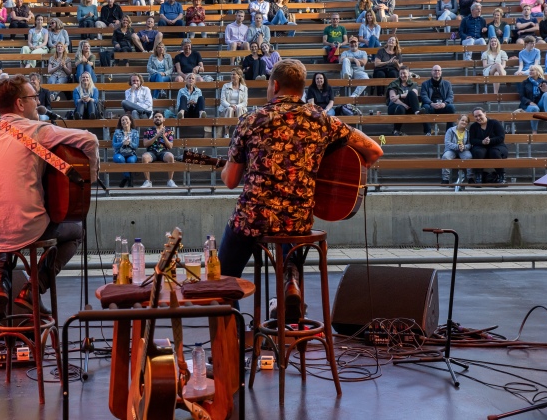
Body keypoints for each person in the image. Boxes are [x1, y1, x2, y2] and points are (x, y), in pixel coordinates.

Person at [217, 59, 382, 321]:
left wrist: (228, 167)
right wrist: (336, 173)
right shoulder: (322, 120)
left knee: (222, 276)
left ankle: (233, 338)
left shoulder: (251, 120)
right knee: (289, 227)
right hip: (297, 220)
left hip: (255, 217)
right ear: (302, 89)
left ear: (275, 85)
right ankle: (290, 280)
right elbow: (374, 150)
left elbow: (230, 180)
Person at [0, 73, 98, 316]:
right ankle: (33, 288)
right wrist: (92, 176)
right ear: (20, 103)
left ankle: (1, 282)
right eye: (33, 98)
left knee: (6, 227)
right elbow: (90, 140)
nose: (38, 103)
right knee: (75, 232)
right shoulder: (37, 130)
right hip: (25, 227)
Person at [469, 107, 508, 184]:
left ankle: (501, 176)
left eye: (480, 115)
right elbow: (472, 140)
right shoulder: (473, 126)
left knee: (494, 152)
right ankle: (478, 176)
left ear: (485, 114)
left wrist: (490, 140)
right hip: (481, 146)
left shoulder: (494, 123)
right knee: (478, 152)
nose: (478, 118)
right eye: (476, 116)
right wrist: (482, 142)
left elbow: (501, 137)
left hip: (497, 146)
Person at [141, 111, 176, 188]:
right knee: (144, 157)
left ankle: (170, 180)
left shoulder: (169, 131)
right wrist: (156, 136)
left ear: (164, 119)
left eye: (160, 117)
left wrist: (163, 136)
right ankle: (148, 181)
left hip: (163, 152)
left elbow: (170, 146)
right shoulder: (148, 130)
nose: (158, 118)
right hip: (151, 152)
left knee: (171, 156)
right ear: (153, 120)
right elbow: (145, 144)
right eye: (156, 117)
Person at [386, 66, 421, 136]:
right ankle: (396, 130)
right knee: (401, 108)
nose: (402, 75)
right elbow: (393, 98)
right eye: (401, 73)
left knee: (411, 93)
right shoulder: (394, 84)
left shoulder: (413, 84)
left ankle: (417, 112)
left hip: (408, 106)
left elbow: (414, 94)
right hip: (394, 106)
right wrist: (403, 104)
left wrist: (399, 96)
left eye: (404, 73)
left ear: (408, 74)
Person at [420, 65, 455, 135]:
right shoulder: (425, 84)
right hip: (431, 106)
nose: (437, 72)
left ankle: (449, 132)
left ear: (441, 72)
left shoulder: (447, 84)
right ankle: (428, 132)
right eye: (435, 70)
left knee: (451, 107)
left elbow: (450, 96)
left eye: (438, 70)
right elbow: (424, 96)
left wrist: (444, 103)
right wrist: (431, 103)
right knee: (425, 107)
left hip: (443, 106)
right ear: (431, 72)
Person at [518, 65, 547, 134]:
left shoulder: (544, 82)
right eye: (530, 70)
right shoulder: (525, 82)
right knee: (534, 108)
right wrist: (530, 102)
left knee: (546, 94)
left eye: (532, 70)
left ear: (538, 72)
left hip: (540, 104)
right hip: (529, 105)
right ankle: (534, 130)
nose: (530, 72)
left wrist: (546, 91)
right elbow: (521, 97)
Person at [441, 114, 474, 185]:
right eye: (462, 120)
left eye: (466, 121)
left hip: (463, 150)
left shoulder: (468, 132)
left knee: (469, 157)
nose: (464, 122)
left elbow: (469, 144)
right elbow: (447, 143)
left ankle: (470, 177)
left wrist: (464, 147)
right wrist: (457, 146)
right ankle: (445, 178)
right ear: (458, 121)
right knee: (446, 157)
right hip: (451, 149)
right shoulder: (450, 130)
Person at [113, 115, 139, 187]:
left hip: (131, 153)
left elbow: (136, 145)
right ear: (121, 123)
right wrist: (122, 143)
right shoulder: (117, 132)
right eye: (122, 120)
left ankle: (125, 178)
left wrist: (129, 143)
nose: (125, 121)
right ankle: (128, 177)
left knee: (131, 161)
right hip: (119, 153)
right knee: (120, 159)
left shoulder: (135, 132)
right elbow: (114, 144)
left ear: (130, 121)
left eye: (126, 119)